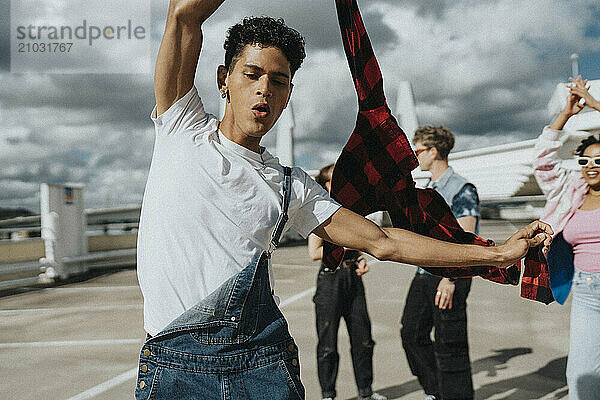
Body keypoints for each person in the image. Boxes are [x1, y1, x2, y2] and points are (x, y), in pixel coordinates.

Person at [135, 0, 553, 398]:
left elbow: (383, 241)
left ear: (288, 93)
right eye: (252, 74)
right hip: (175, 369)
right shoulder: (182, 129)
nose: (264, 89)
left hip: (261, 366)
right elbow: (184, 15)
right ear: (223, 79)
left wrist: (499, 255)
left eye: (278, 81)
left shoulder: (289, 185)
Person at [533, 75, 600, 400]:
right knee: (581, 375)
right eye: (585, 160)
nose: (592, 166)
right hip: (587, 290)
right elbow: (544, 160)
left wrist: (595, 103)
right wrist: (567, 113)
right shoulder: (571, 189)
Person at [400, 126, 479, 400]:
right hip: (424, 273)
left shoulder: (461, 188)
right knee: (411, 333)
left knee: (450, 346)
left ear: (433, 152)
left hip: (449, 276)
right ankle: (436, 391)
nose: (415, 156)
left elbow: (466, 239)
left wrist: (451, 278)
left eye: (418, 150)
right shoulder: (428, 188)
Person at [308, 164, 387, 400]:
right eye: (334, 180)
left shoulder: (351, 213)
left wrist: (360, 259)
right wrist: (355, 244)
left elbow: (359, 247)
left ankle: (366, 392)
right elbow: (314, 252)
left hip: (352, 277)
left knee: (363, 340)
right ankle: (328, 395)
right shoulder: (318, 210)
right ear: (326, 186)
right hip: (331, 280)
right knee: (328, 344)